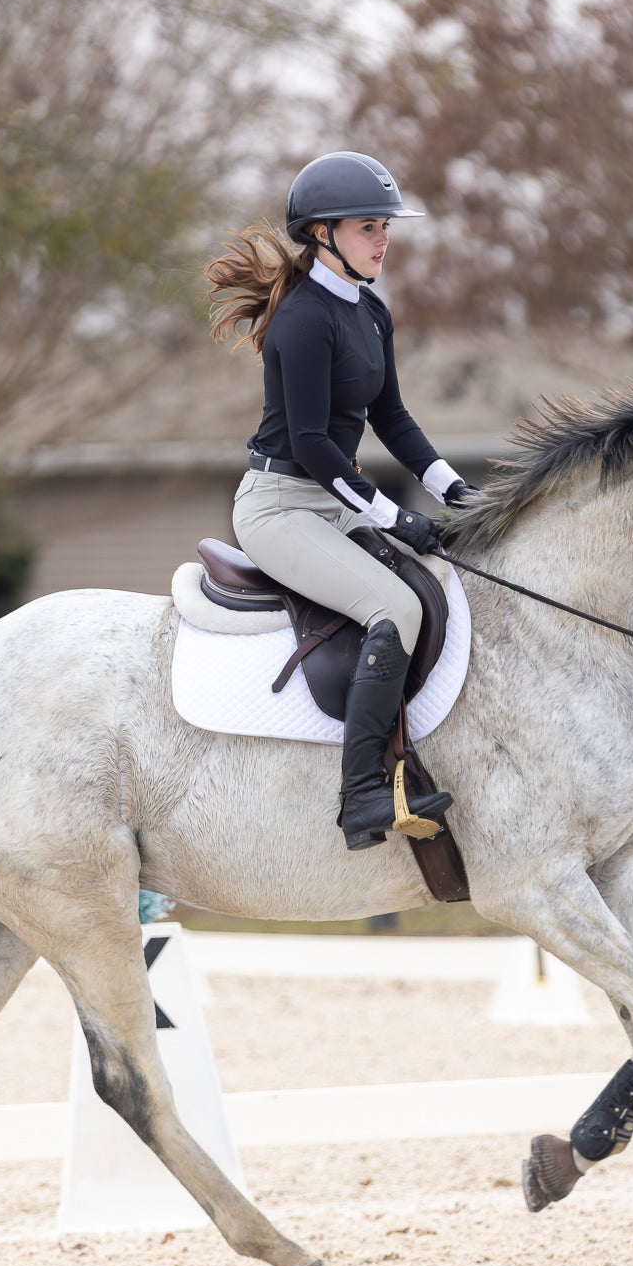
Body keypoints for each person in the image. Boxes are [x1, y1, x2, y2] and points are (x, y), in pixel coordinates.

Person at [206, 151, 482, 850]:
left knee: (439, 588)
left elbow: (391, 418)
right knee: (396, 608)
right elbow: (310, 444)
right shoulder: (304, 320)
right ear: (322, 233)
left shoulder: (370, 313)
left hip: (329, 500)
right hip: (280, 506)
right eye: (369, 228)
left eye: (385, 227)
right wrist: (392, 515)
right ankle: (361, 795)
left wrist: (452, 488)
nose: (383, 240)